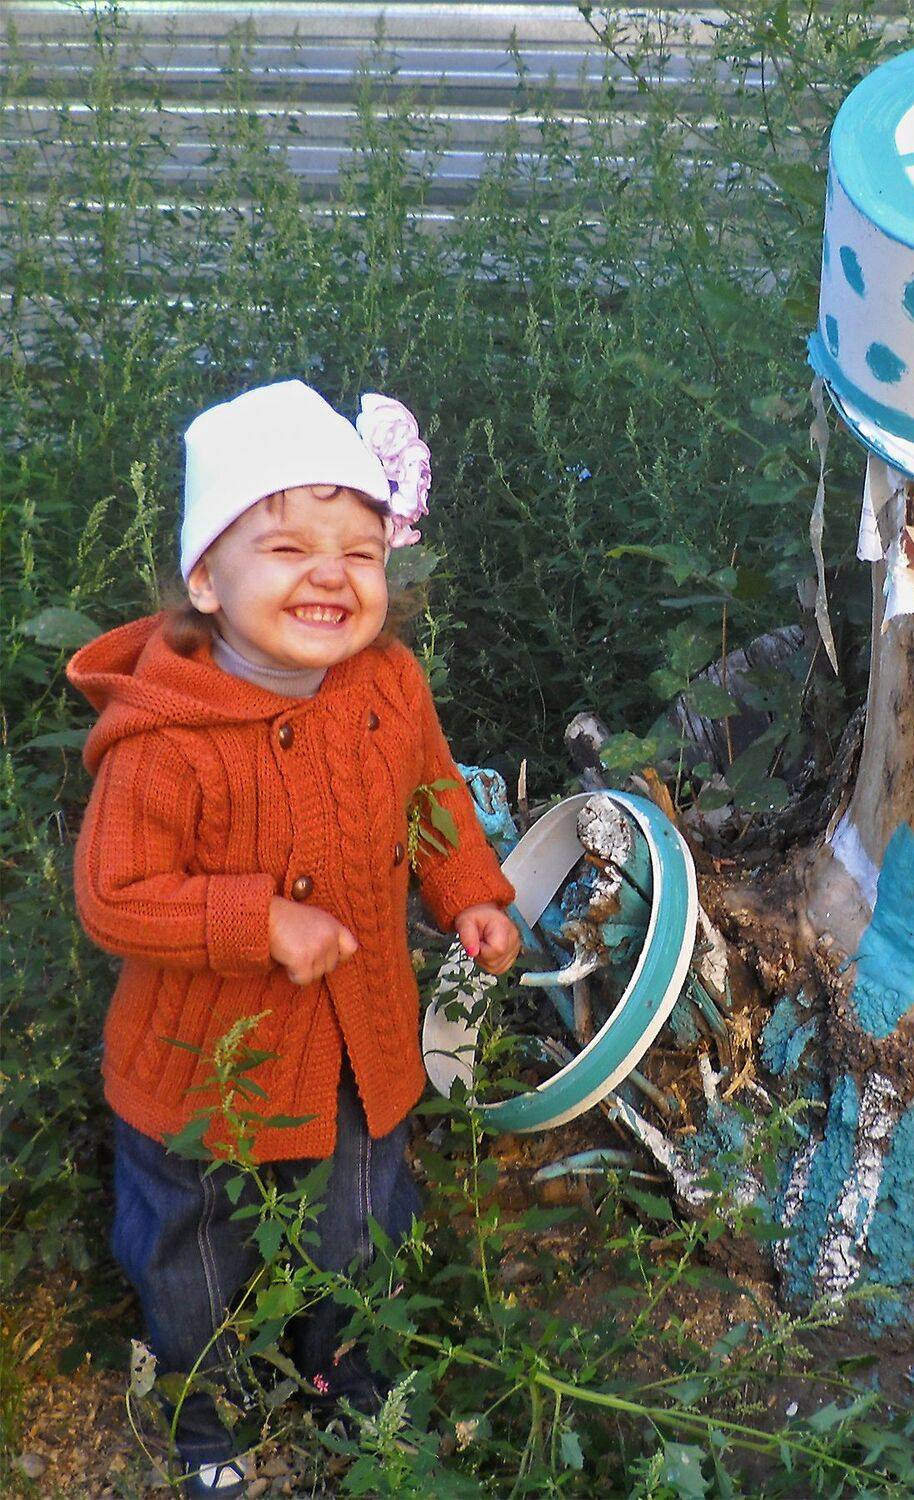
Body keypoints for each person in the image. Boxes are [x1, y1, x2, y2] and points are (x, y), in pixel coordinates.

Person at [66, 379, 521, 1498]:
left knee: (359, 1219)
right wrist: (256, 918)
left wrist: (467, 888)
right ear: (206, 580)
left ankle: (344, 1371)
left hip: (359, 1041)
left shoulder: (387, 684)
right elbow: (115, 896)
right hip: (200, 1073)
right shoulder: (167, 741)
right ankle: (202, 1407)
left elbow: (430, 792)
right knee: (193, 1248)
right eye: (286, 549)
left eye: (360, 552)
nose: (330, 575)